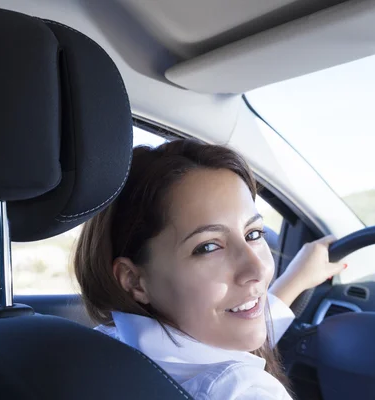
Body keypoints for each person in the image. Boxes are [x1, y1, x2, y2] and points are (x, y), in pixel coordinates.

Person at [74, 139, 346, 399]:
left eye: (253, 234)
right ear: (134, 281)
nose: (258, 269)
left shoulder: (104, 347)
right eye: (208, 247)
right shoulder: (243, 392)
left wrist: (295, 281)